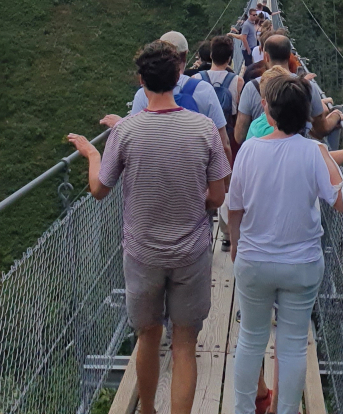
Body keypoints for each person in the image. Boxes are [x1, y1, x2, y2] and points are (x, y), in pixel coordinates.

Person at [69, 41, 231, 414]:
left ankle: (147, 411)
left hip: (142, 253)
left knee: (147, 336)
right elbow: (218, 197)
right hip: (190, 252)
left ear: (141, 80)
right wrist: (196, 203)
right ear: (179, 76)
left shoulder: (125, 131)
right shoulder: (203, 128)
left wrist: (94, 154)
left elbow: (99, 190)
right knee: (185, 344)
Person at [228, 73, 343, 414]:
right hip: (301, 264)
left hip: (254, 261)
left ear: (268, 112)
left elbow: (236, 209)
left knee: (251, 340)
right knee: (292, 346)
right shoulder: (316, 151)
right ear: (306, 114)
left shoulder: (248, 151)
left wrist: (237, 247)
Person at [129, 31, 233, 168]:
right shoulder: (204, 90)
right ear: (186, 53)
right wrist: (224, 184)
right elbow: (223, 144)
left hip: (156, 173)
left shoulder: (143, 94)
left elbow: (135, 140)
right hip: (197, 175)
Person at [234, 34, 342, 145]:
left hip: (261, 152)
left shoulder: (250, 88)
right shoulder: (308, 86)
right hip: (296, 152)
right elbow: (321, 130)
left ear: (266, 56)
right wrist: (336, 115)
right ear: (289, 56)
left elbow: (239, 136)